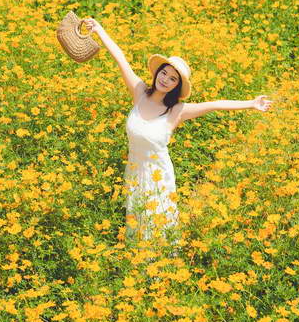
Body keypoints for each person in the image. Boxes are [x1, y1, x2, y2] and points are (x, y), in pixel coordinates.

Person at [83, 18, 273, 248]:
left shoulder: (177, 110)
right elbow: (120, 58)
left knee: (157, 228)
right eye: (164, 73)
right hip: (134, 172)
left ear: (176, 86)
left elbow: (215, 104)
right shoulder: (139, 92)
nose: (165, 80)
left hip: (159, 177)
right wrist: (99, 30)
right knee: (136, 224)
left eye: (173, 79)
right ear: (157, 73)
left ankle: (162, 265)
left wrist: (251, 103)